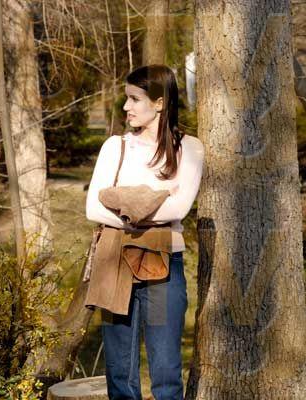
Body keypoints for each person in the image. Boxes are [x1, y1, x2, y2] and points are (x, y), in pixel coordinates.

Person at [86, 65, 204, 400]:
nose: (126, 107)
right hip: (114, 264)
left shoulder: (189, 149)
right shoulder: (115, 147)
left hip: (162, 268)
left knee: (165, 373)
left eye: (135, 99)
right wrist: (152, 201)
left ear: (160, 103)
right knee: (120, 375)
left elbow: (178, 209)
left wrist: (120, 203)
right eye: (127, 98)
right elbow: (93, 208)